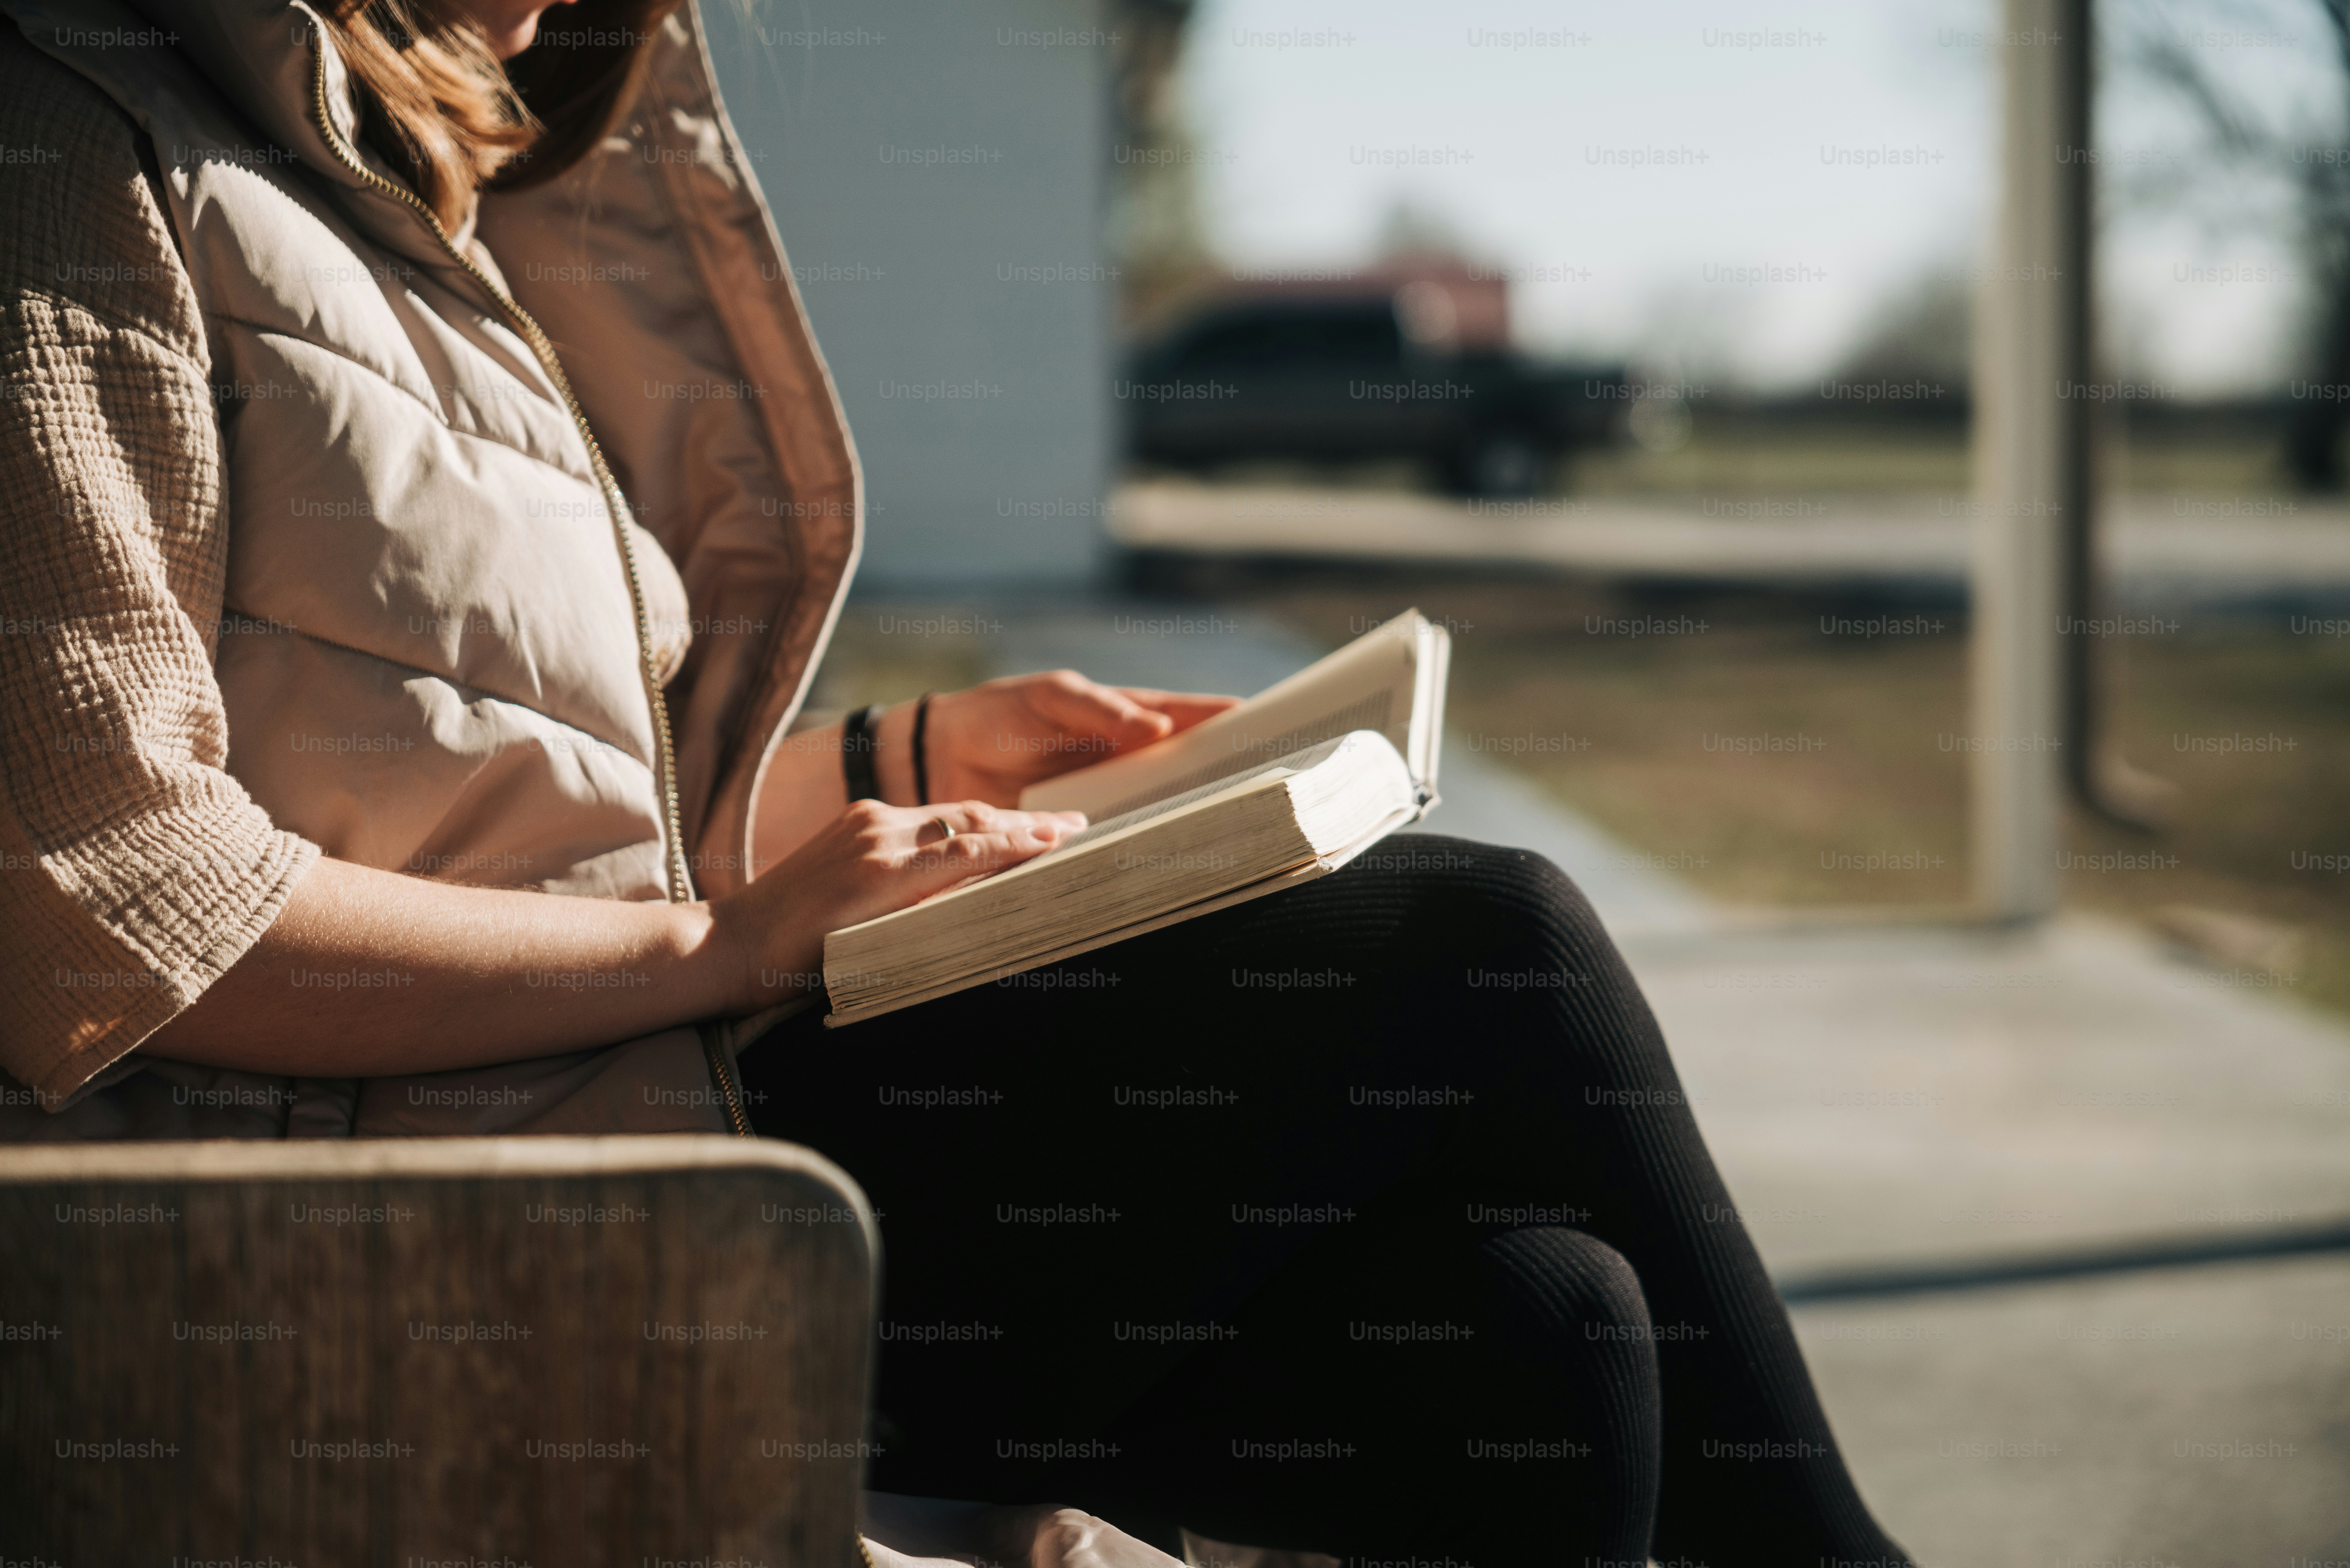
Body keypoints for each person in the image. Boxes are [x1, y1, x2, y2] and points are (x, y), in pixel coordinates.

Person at [0, 0, 1916, 1560]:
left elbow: (500, 794)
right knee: (1491, 941)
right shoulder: (72, 136)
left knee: (1542, 1342)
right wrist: (723, 946)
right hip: (410, 1225)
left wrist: (909, 759)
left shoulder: (408, 202)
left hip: (629, 1088)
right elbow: (105, 905)